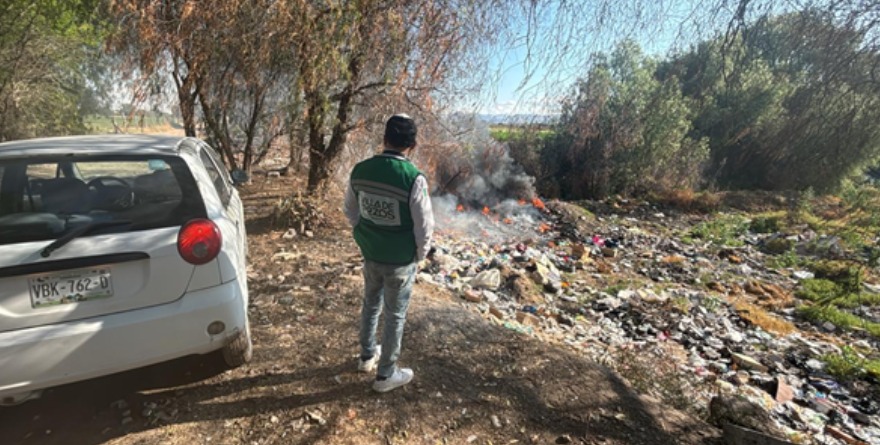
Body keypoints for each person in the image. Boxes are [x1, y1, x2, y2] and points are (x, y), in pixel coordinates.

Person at [343, 114, 434, 393]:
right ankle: (385, 376)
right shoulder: (413, 178)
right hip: (400, 261)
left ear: (384, 139)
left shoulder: (360, 170)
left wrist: (366, 234)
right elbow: (424, 225)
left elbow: (350, 211)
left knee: (371, 303)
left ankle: (367, 356)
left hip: (371, 253)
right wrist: (420, 254)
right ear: (413, 145)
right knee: (395, 314)